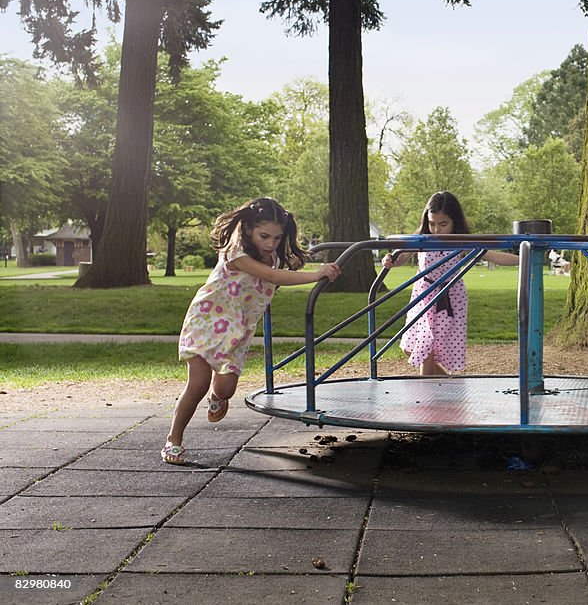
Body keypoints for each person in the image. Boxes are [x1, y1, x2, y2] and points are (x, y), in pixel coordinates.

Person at [163, 197, 340, 464]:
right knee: (197, 384)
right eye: (264, 236)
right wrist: (317, 274)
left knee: (225, 389)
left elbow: (276, 275)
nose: (270, 243)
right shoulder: (237, 254)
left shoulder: (272, 255)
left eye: (277, 238)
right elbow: (273, 277)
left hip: (238, 327)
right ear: (247, 229)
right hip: (206, 320)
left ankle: (217, 396)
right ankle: (173, 439)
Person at [382, 191, 518, 376]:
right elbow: (401, 256)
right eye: (432, 224)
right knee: (411, 347)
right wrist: (390, 260)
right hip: (423, 293)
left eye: (443, 224)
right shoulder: (422, 238)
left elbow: (495, 257)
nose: (437, 230)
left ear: (455, 222)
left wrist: (524, 257)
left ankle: (425, 399)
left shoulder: (461, 241)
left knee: (427, 348)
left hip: (450, 296)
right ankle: (447, 383)